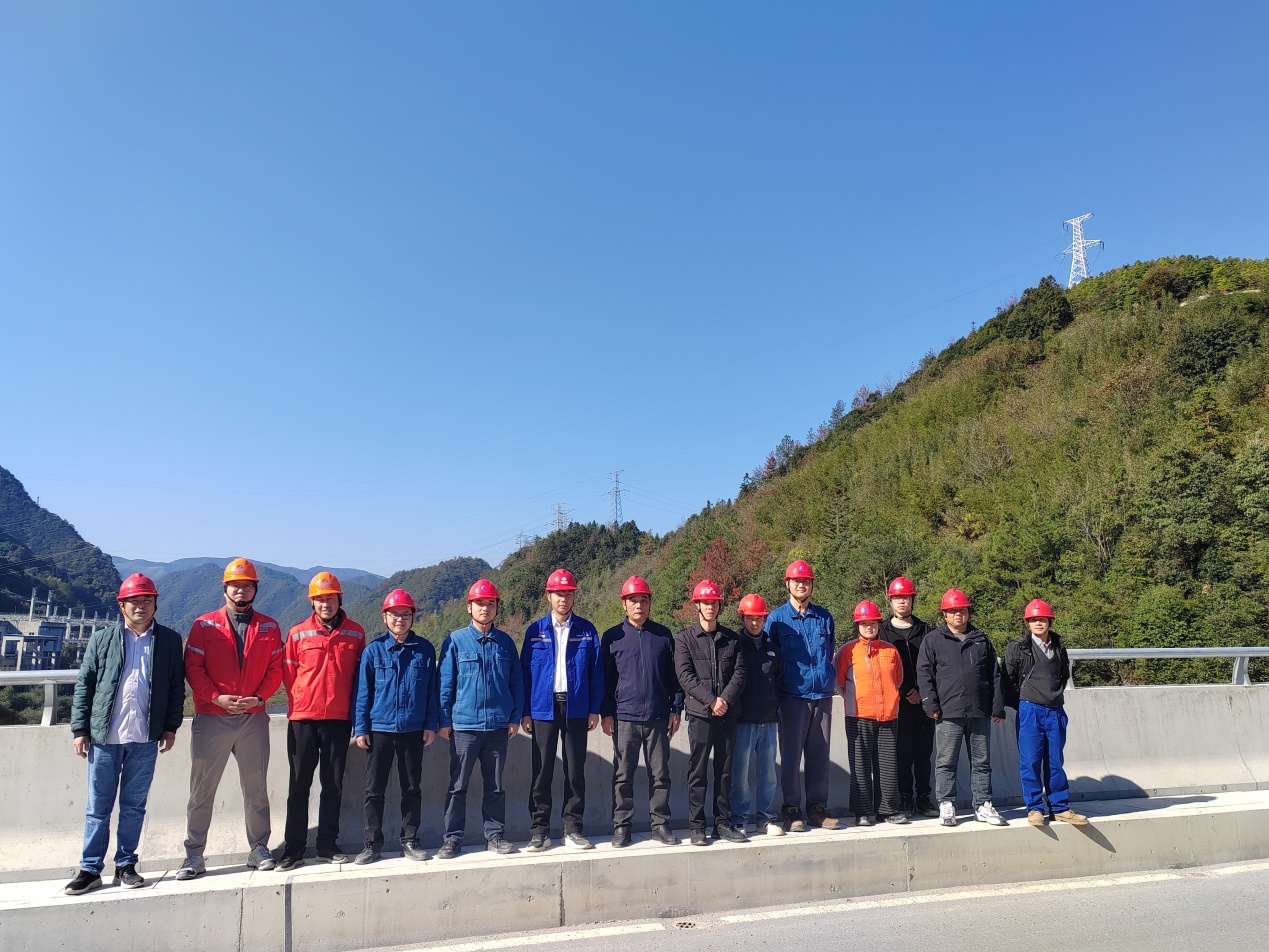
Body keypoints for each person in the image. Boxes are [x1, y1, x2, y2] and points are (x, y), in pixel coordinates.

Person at [64, 574, 185, 895]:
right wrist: (80, 729)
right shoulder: (102, 639)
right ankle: (90, 869)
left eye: (147, 600)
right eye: (134, 601)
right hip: (105, 737)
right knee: (98, 808)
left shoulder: (170, 641)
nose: (140, 606)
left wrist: (171, 727)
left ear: (155, 604)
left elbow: (176, 687)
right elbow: (85, 686)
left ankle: (126, 865)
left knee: (134, 806)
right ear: (122, 606)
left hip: (146, 737)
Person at [176, 558, 284, 880]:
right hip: (212, 717)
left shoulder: (269, 627)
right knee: (202, 791)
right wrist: (215, 697)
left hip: (253, 718)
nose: (241, 590)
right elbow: (193, 667)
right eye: (236, 585)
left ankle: (259, 848)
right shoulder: (204, 625)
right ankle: (194, 855)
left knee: (256, 788)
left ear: (255, 590)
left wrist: (259, 698)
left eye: (247, 585)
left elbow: (275, 669)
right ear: (225, 588)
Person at [278, 572, 366, 869]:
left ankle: (327, 845)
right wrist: (303, 700)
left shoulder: (355, 633)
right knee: (298, 785)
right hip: (303, 719)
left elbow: (359, 678)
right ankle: (294, 849)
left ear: (339, 599)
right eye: (319, 599)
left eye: (330, 598)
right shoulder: (298, 633)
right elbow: (289, 674)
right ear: (312, 602)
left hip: (339, 719)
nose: (325, 604)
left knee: (333, 785)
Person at [436, 579, 524, 859]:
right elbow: (445, 683)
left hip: (497, 726)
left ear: (497, 607)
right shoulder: (455, 641)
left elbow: (517, 683)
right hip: (464, 726)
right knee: (457, 786)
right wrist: (444, 720)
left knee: (495, 787)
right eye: (479, 603)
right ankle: (452, 839)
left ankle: (495, 836)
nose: (485, 608)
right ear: (469, 607)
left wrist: (514, 718)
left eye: (490, 603)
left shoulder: (506, 643)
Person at [352, 589, 438, 864]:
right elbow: (362, 693)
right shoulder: (373, 651)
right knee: (374, 790)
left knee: (412, 788)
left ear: (413, 616)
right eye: (394, 614)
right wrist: (361, 728)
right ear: (384, 617)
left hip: (413, 729)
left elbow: (432, 692)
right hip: (380, 729)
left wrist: (430, 724)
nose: (400, 619)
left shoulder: (425, 649)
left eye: (405, 614)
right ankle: (372, 844)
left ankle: (410, 840)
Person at [520, 569, 603, 852]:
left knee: (575, 770)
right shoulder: (535, 631)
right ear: (549, 596)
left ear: (573, 596)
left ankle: (573, 829)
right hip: (543, 707)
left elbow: (596, 672)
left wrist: (594, 709)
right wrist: (525, 711)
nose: (563, 598)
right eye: (558, 593)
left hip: (576, 707)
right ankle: (539, 831)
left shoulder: (587, 630)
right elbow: (525, 673)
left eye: (568, 593)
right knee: (541, 771)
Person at [600, 575, 683, 848]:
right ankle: (622, 827)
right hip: (624, 717)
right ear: (623, 604)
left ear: (650, 603)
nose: (639, 605)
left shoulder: (663, 635)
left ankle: (660, 825)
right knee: (623, 776)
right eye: (633, 600)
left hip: (658, 717)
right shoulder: (612, 637)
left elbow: (673, 676)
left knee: (660, 775)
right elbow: (605, 680)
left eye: (643, 600)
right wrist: (606, 713)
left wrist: (676, 708)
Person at [917, 588, 1006, 828]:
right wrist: (930, 704)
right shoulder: (933, 640)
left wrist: (997, 706)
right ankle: (946, 804)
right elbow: (924, 674)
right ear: (945, 614)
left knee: (982, 762)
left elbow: (994, 674)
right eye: (953, 611)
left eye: (962, 610)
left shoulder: (981, 639)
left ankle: (983, 805)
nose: (958, 615)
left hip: (979, 710)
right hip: (948, 712)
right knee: (946, 761)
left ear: (969, 613)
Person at [767, 560, 840, 831]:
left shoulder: (824, 617)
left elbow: (829, 649)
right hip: (791, 696)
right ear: (787, 584)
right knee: (790, 757)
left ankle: (817, 809)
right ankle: (791, 810)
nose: (801, 585)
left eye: (806, 581)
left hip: (821, 695)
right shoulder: (776, 619)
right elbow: (771, 660)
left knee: (819, 756)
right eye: (797, 581)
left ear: (812, 585)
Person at [1003, 599, 1088, 828]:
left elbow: (1063, 674)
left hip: (1055, 710)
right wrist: (1021, 702)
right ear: (1027, 623)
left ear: (1050, 621)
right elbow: (1008, 680)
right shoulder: (1018, 647)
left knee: (1055, 762)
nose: (1038, 623)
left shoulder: (1058, 646)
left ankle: (1059, 808)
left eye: (1042, 619)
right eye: (1033, 620)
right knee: (1030, 761)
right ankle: (1034, 809)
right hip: (1030, 709)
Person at [675, 579, 748, 846]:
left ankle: (722, 824)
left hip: (727, 713)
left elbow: (740, 672)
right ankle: (697, 826)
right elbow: (685, 676)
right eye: (705, 603)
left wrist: (724, 700)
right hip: (700, 715)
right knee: (698, 771)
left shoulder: (732, 639)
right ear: (697, 606)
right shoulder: (684, 639)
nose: (710, 607)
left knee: (725, 771)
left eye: (714, 602)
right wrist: (710, 701)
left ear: (720, 605)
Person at [835, 600, 908, 826]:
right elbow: (839, 682)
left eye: (873, 623)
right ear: (857, 625)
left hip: (888, 716)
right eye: (864, 623)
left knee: (887, 765)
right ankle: (862, 811)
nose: (869, 627)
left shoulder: (891, 650)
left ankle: (887, 810)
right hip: (858, 716)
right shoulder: (847, 651)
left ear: (879, 624)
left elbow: (898, 679)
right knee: (860, 765)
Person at [881, 576, 938, 819]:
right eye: (897, 598)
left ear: (913, 600)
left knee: (923, 753)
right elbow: (884, 667)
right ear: (890, 601)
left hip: (924, 701)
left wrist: (922, 692)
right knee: (901, 752)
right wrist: (905, 690)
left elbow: (934, 665)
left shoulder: (926, 630)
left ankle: (924, 796)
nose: (901, 602)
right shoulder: (882, 630)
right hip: (897, 702)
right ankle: (904, 795)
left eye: (905, 597)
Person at [730, 593, 784, 837]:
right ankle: (738, 819)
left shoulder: (773, 649)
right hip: (743, 719)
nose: (755, 623)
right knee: (740, 774)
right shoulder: (735, 646)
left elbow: (779, 680)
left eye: (759, 618)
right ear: (742, 618)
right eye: (750, 618)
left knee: (768, 773)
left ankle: (765, 818)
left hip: (769, 720)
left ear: (765, 619)